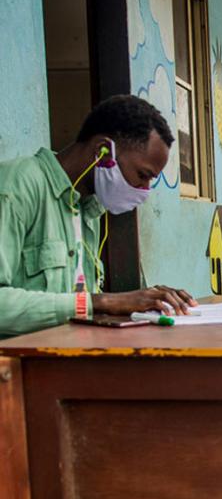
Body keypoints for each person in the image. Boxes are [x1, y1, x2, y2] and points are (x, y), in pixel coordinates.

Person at [0, 95, 197, 339]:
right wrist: (102, 302)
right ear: (102, 151)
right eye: (142, 175)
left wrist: (144, 304)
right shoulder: (16, 188)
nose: (144, 189)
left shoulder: (88, 208)